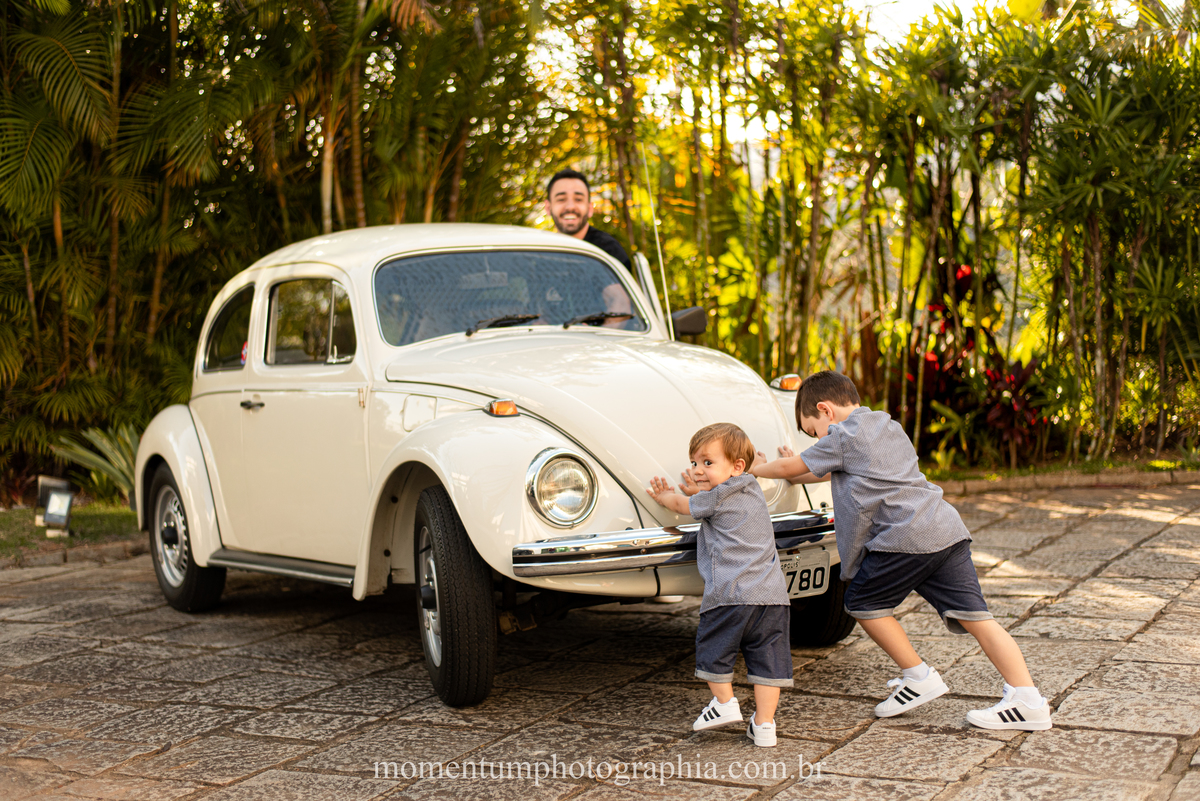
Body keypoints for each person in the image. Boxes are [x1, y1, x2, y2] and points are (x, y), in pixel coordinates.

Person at [749, 371, 1052, 731]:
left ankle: (918, 676)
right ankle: (1028, 699)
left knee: (862, 602)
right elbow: (826, 470)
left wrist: (756, 467)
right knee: (978, 619)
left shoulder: (844, 435)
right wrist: (805, 462)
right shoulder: (887, 427)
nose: (818, 439)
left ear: (825, 410)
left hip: (904, 538)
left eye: (814, 431)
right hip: (945, 530)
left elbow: (791, 466)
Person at [646, 423, 792, 748]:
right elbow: (711, 500)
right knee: (768, 661)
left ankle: (725, 703)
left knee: (714, 649)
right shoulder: (751, 487)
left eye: (707, 463)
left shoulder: (715, 497)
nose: (698, 470)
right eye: (695, 463)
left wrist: (666, 495)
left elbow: (685, 508)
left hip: (730, 594)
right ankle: (765, 725)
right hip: (772, 597)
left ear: (736, 466)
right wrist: (702, 488)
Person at [544, 169, 633, 273]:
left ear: (590, 208)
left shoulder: (608, 253)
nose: (570, 207)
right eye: (561, 199)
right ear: (548, 208)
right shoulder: (542, 253)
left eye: (578, 199)